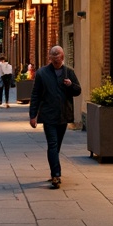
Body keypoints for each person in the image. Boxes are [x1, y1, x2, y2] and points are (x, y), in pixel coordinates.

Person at [29, 45, 81, 189]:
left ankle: (54, 168)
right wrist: (33, 115)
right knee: (52, 144)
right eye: (53, 59)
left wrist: (71, 85)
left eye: (58, 59)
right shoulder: (42, 73)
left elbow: (78, 91)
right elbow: (36, 95)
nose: (56, 61)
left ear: (62, 57)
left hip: (63, 115)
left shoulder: (69, 72)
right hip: (48, 115)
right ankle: (56, 175)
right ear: (50, 58)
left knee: (56, 146)